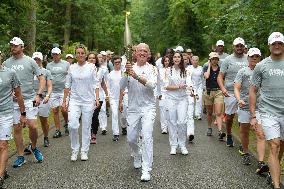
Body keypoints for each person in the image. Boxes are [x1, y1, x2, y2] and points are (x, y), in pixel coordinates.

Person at [3, 37, 45, 167]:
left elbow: (42, 79)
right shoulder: (6, 63)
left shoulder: (30, 61)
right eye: (11, 45)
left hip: (29, 99)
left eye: (15, 46)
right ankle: (21, 156)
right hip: (13, 102)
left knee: (33, 126)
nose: (13, 48)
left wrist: (38, 95)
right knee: (17, 128)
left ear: (22, 47)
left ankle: (33, 146)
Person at [249, 32, 284, 189]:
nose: (277, 46)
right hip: (268, 112)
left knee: (281, 145)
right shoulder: (261, 66)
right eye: (274, 43)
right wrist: (253, 116)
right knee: (274, 145)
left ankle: (272, 171)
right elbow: (252, 90)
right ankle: (277, 185)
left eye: (280, 43)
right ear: (269, 45)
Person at [120, 43, 157, 182]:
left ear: (148, 54)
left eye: (145, 51)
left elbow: (152, 85)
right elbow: (121, 86)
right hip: (134, 108)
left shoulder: (153, 69)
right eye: (139, 50)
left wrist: (135, 76)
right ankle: (136, 153)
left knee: (147, 136)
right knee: (130, 138)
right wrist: (125, 72)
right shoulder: (129, 68)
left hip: (148, 107)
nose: (142, 53)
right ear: (134, 53)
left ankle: (146, 169)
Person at [62, 44, 99, 161]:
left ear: (85, 54)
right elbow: (67, 85)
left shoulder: (91, 67)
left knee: (86, 127)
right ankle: (74, 149)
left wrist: (97, 99)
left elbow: (96, 84)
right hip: (74, 100)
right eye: (78, 53)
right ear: (75, 54)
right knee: (72, 125)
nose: (80, 55)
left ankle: (84, 151)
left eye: (82, 53)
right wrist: (64, 101)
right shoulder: (71, 67)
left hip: (88, 101)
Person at [234, 48, 268, 168]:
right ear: (248, 58)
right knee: (244, 131)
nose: (254, 58)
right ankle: (245, 151)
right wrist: (239, 99)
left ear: (260, 58)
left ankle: (260, 162)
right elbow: (236, 87)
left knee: (260, 133)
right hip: (244, 107)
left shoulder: (264, 71)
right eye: (252, 56)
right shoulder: (242, 72)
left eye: (257, 57)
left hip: (259, 108)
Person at [0, 56, 26, 187]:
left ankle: (0, 176)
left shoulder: (10, 73)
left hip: (5, 113)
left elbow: (19, 94)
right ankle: (3, 171)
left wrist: (23, 113)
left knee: (3, 145)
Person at [217, 37, 248, 147]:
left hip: (245, 93)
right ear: (233, 47)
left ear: (244, 47)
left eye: (241, 46)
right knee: (229, 117)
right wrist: (223, 89)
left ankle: (242, 141)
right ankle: (229, 134)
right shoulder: (227, 60)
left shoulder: (248, 58)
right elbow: (220, 77)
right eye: (237, 46)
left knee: (243, 119)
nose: (239, 47)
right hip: (230, 92)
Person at [164, 51, 191, 155]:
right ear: (172, 59)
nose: (176, 59)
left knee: (182, 122)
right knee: (172, 122)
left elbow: (189, 83)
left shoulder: (186, 71)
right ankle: (173, 145)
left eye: (178, 57)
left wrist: (191, 89)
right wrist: (178, 87)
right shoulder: (168, 71)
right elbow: (166, 86)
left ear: (181, 59)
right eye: (174, 57)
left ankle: (182, 144)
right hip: (171, 99)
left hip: (182, 99)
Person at [46, 47, 70, 138]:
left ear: (60, 55)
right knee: (55, 110)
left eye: (57, 54)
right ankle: (57, 130)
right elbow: (47, 77)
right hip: (53, 91)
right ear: (52, 55)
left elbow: (70, 76)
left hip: (63, 90)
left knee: (64, 109)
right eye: (54, 54)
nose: (55, 56)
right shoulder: (49, 65)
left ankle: (67, 123)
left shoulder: (66, 64)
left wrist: (70, 88)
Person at [32, 52, 53, 147]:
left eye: (38, 59)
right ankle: (32, 143)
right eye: (35, 59)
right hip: (32, 99)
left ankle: (45, 137)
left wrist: (48, 95)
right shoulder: (29, 71)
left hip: (43, 98)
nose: (36, 61)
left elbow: (49, 86)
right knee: (32, 122)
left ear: (41, 60)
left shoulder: (46, 72)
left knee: (43, 120)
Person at [203, 52, 225, 139]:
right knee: (209, 112)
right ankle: (209, 127)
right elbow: (207, 76)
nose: (215, 60)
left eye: (216, 59)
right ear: (210, 60)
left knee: (218, 112)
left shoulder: (221, 69)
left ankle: (220, 131)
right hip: (208, 92)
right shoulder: (205, 68)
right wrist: (209, 65)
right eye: (213, 59)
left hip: (218, 92)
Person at [106, 56, 126, 141]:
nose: (117, 64)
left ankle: (124, 127)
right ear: (113, 63)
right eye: (116, 62)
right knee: (114, 114)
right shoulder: (110, 74)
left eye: (119, 62)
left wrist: (126, 92)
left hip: (123, 97)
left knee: (123, 115)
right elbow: (108, 87)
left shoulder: (124, 73)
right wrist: (108, 96)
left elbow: (127, 85)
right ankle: (116, 133)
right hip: (113, 98)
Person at [156, 55, 170, 134]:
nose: (167, 62)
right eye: (165, 61)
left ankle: (169, 125)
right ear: (163, 62)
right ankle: (164, 127)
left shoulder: (172, 70)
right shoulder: (160, 70)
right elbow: (158, 83)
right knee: (162, 110)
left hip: (170, 93)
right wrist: (158, 94)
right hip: (162, 92)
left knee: (169, 110)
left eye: (168, 61)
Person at [188, 56, 204, 120]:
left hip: (199, 86)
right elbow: (188, 78)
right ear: (191, 61)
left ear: (198, 61)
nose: (195, 61)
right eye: (193, 60)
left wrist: (203, 86)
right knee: (191, 100)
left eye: (196, 60)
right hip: (191, 86)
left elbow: (203, 78)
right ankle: (190, 114)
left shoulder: (201, 68)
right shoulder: (189, 68)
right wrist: (192, 89)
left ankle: (198, 114)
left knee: (199, 100)